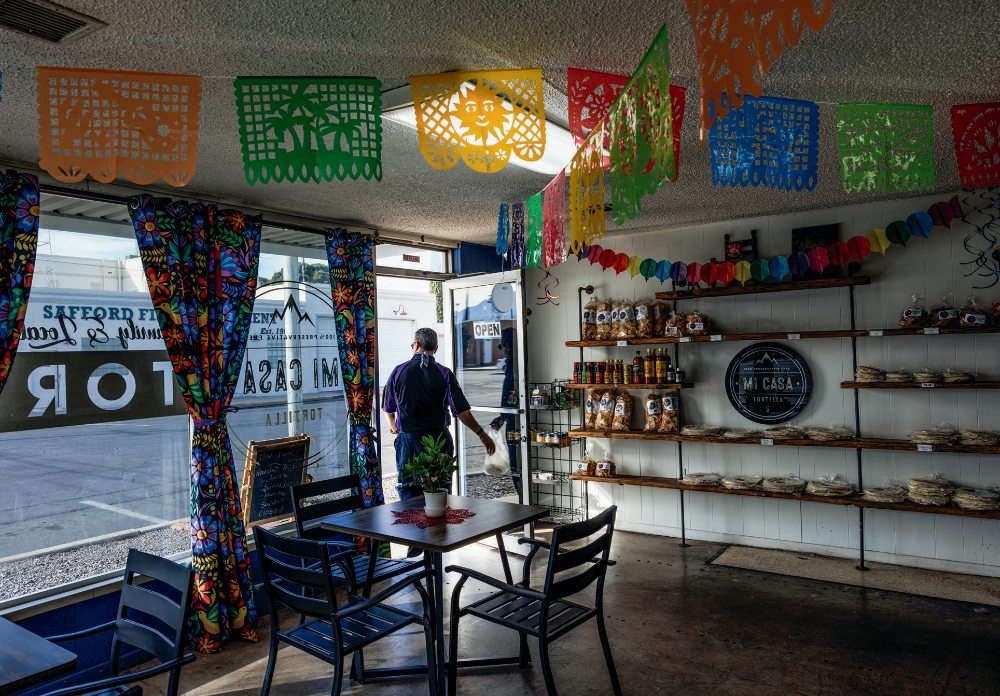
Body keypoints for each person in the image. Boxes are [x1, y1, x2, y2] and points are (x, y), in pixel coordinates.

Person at [383, 328, 496, 506]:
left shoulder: (398, 371)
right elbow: (462, 411)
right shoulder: (444, 373)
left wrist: (397, 433)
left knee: (409, 491)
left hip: (408, 440)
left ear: (416, 345)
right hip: (438, 441)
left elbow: (388, 410)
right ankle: (439, 523)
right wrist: (481, 434)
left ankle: (410, 524)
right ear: (435, 348)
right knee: (439, 491)